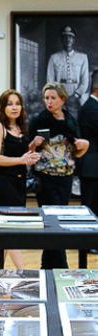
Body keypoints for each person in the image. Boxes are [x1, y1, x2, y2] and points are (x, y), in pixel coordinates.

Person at [29, 82, 89, 269]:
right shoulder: (38, 120)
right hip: (46, 177)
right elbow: (29, 150)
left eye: (53, 98)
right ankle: (61, 266)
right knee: (52, 221)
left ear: (62, 99)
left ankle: (48, 266)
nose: (49, 101)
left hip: (66, 177)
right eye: (46, 98)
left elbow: (76, 151)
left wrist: (82, 146)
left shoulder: (70, 120)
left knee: (58, 222)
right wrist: (33, 143)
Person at [0, 89, 40, 270]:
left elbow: (21, 157)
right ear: (2, 107)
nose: (14, 107)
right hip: (3, 185)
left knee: (7, 233)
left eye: (17, 103)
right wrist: (21, 160)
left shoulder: (20, 128)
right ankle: (23, 271)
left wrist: (31, 156)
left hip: (18, 184)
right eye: (9, 104)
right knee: (9, 231)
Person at [46, 25, 89, 118]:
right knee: (59, 123)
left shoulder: (82, 58)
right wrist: (58, 96)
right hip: (58, 94)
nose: (68, 39)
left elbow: (85, 81)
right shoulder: (54, 58)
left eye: (70, 37)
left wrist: (76, 96)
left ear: (74, 40)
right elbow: (50, 81)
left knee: (75, 123)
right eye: (65, 37)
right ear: (61, 39)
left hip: (76, 96)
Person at [78, 70, 98, 234]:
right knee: (91, 206)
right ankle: (89, 242)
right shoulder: (91, 109)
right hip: (91, 167)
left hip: (93, 167)